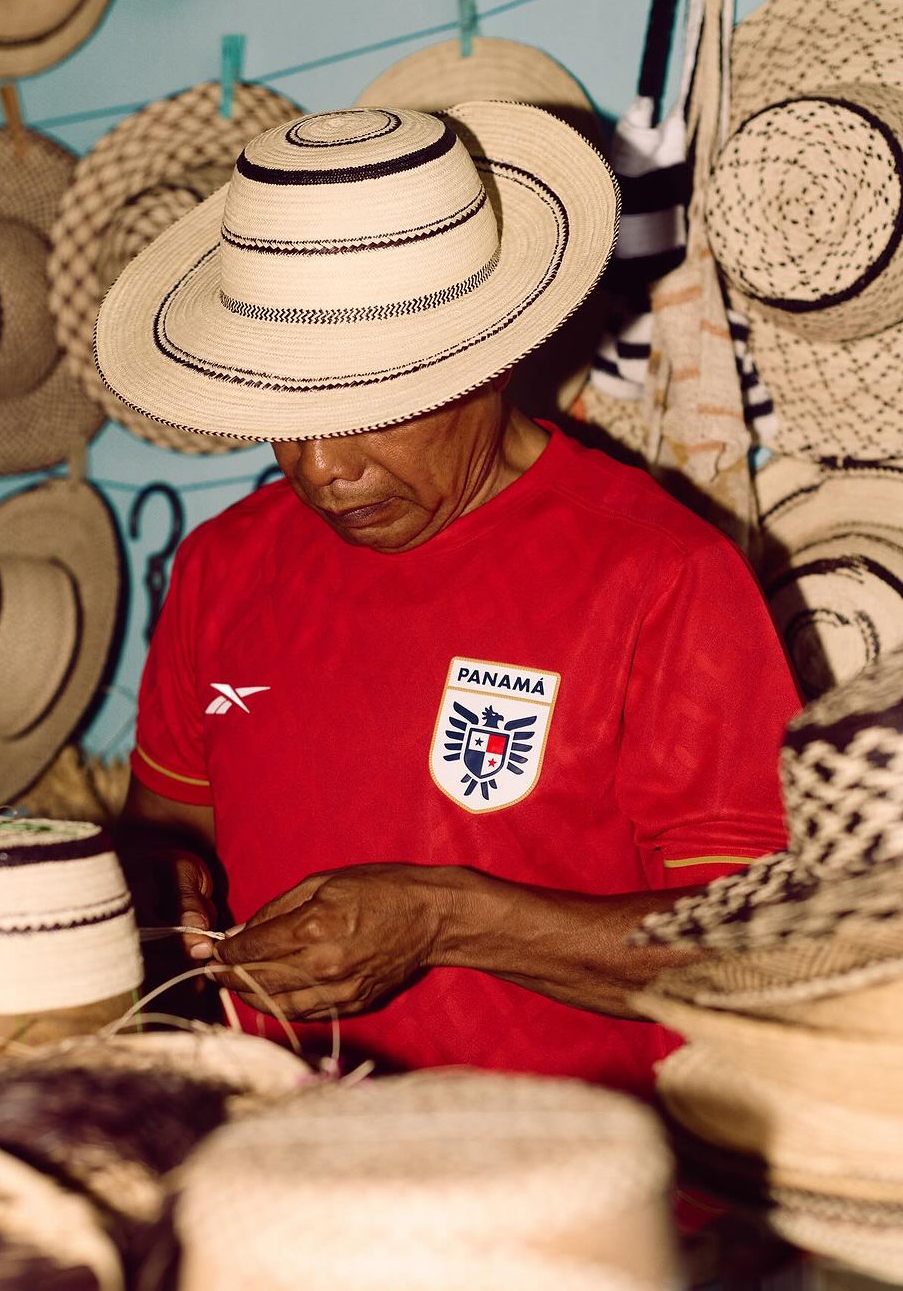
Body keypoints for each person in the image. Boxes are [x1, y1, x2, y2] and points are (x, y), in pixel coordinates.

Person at [96, 102, 800, 1096]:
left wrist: (448, 919)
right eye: (284, 411)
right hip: (271, 1152)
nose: (320, 468)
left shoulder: (661, 577)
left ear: (494, 357)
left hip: (567, 1172)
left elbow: (753, 949)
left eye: (367, 407)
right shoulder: (224, 564)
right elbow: (171, 827)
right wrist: (160, 878)